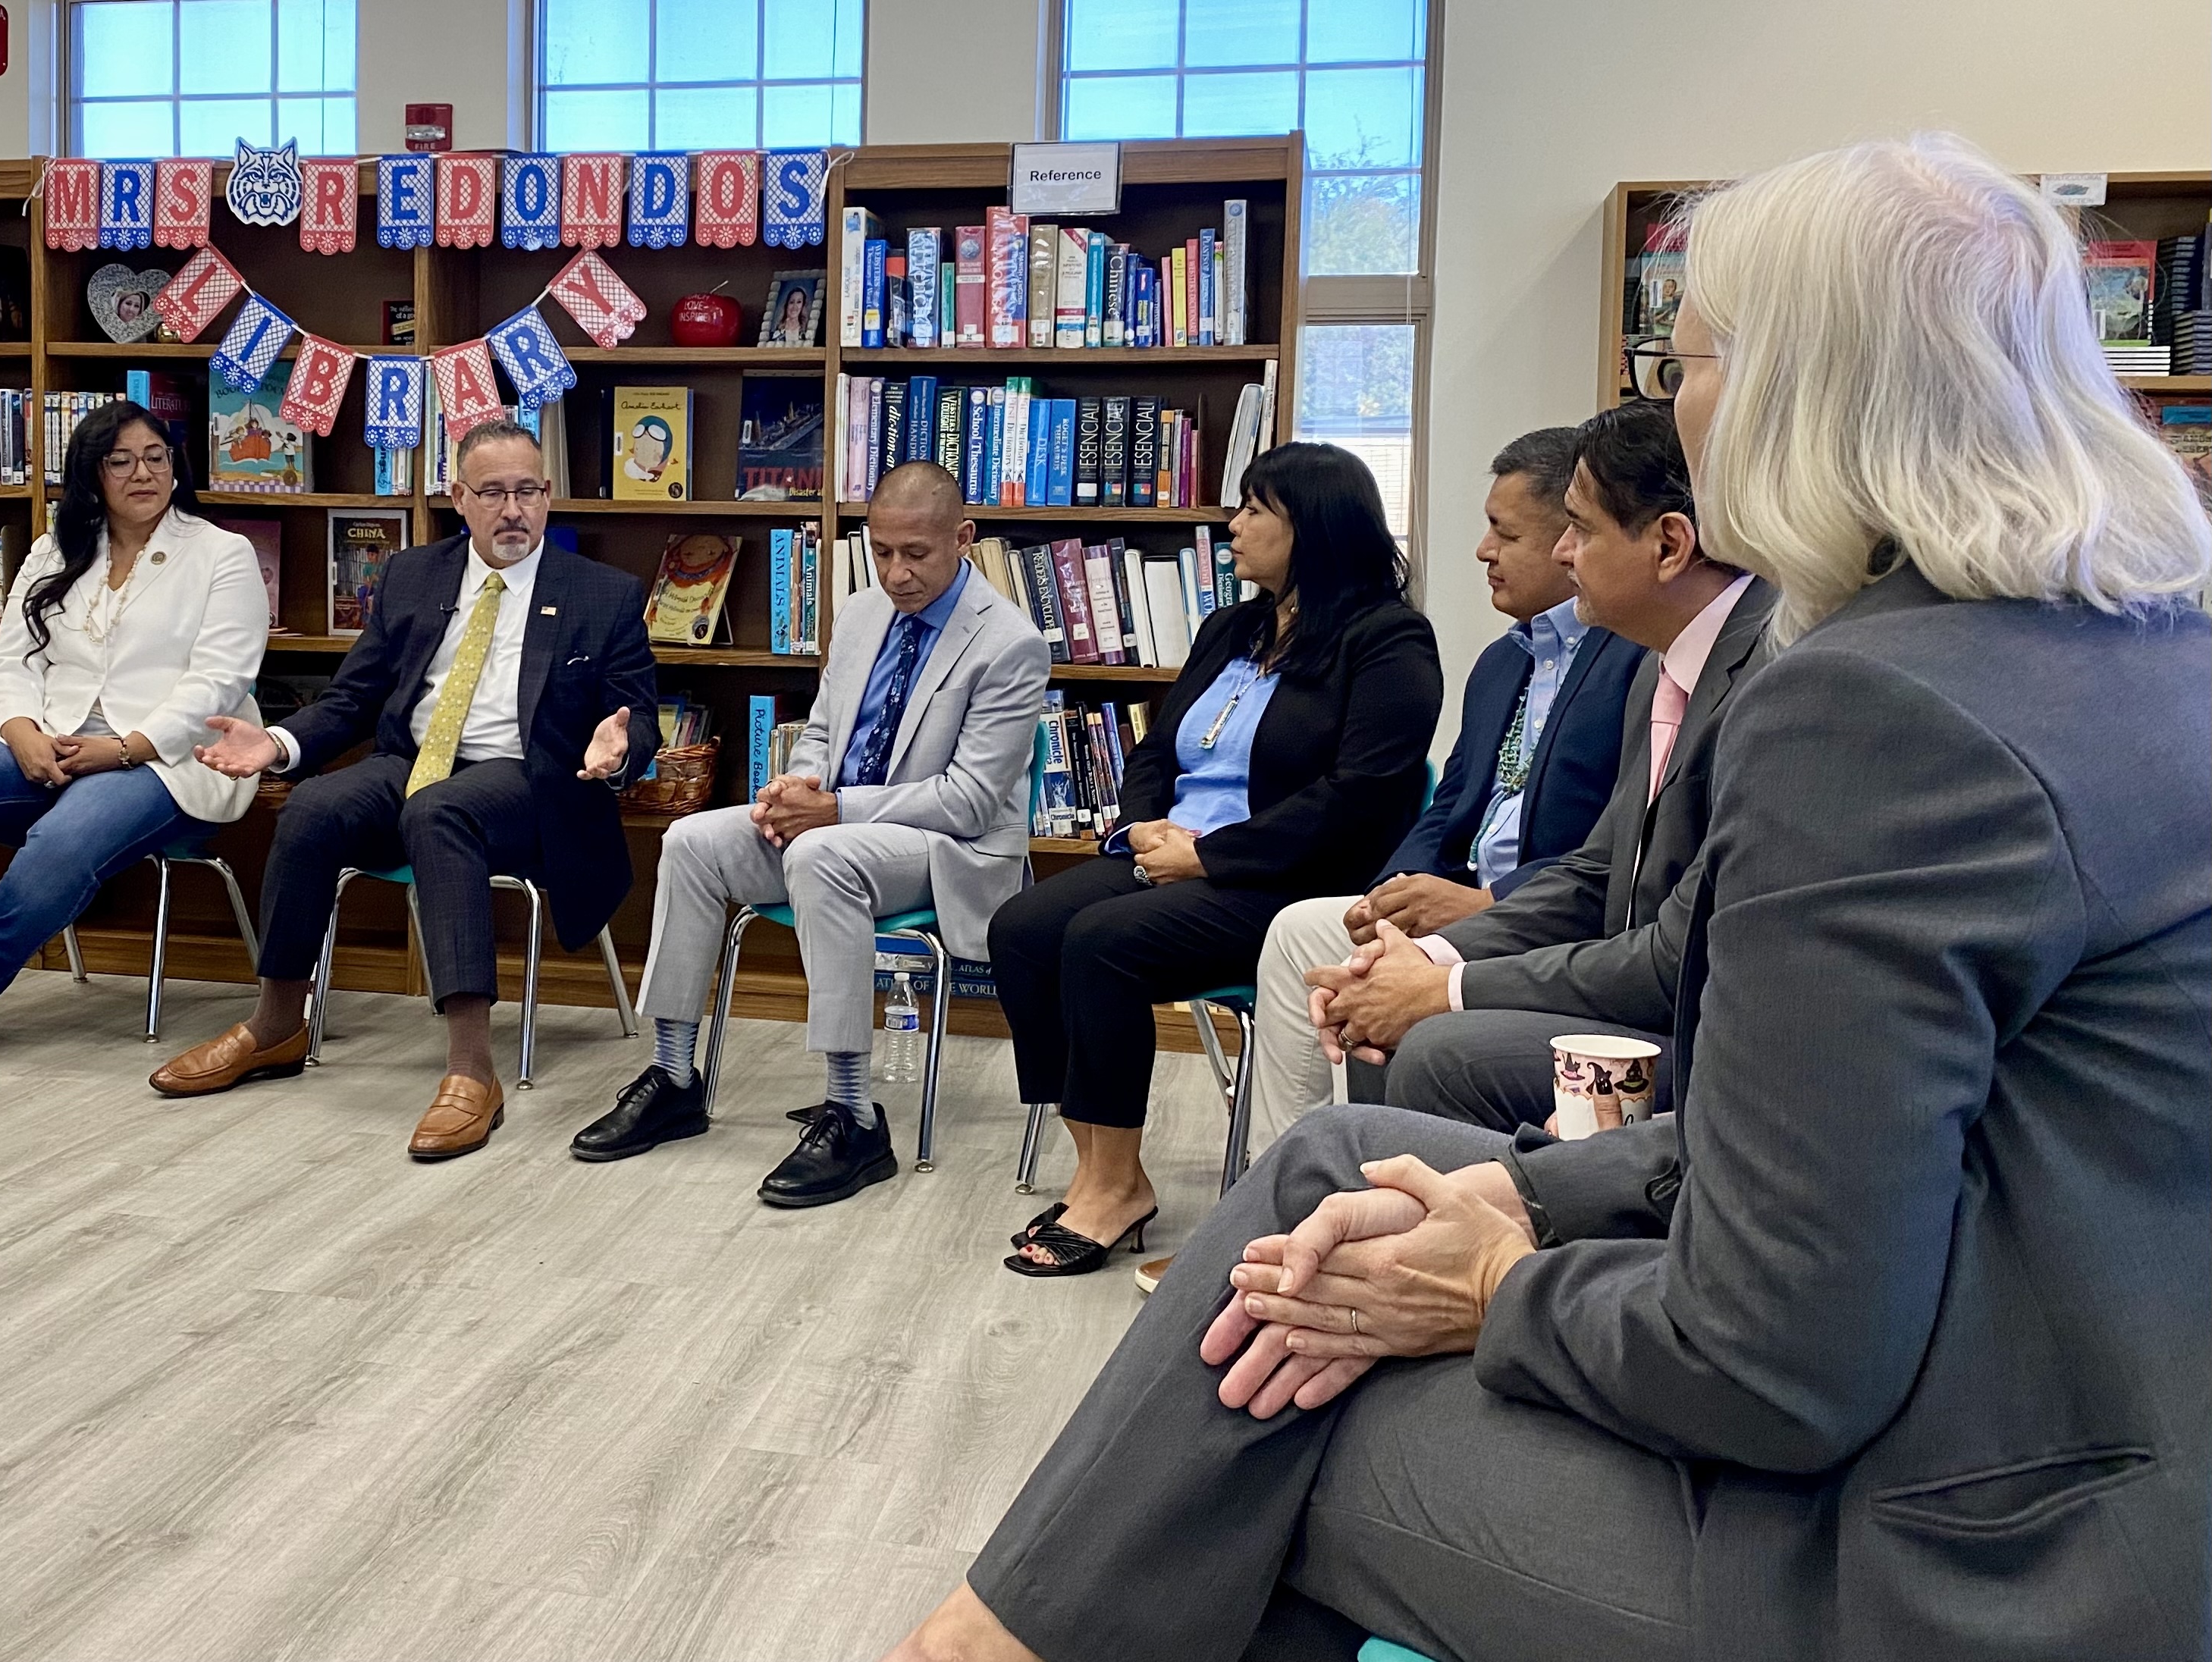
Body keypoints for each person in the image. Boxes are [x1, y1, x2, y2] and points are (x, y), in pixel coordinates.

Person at [880, 132, 2210, 1662]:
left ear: (1800, 388)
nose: (1673, 400)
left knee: (1255, 1422)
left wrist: (1498, 1284)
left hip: (1974, 1553)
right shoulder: (2141, 649)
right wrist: (1518, 1192)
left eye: (1687, 359)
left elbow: (1778, 1362)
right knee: (1333, 1168)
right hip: (2076, 1419)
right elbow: (1850, 1147)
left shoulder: (1876, 713)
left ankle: (984, 1642)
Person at [987, 443, 1442, 1276]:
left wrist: (1209, 854)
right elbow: (1156, 750)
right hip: (1172, 855)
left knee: (1100, 940)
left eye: (1254, 510)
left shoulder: (1388, 640)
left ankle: (1116, 1188)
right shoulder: (1231, 627)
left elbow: (1359, 797)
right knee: (1021, 928)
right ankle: (1097, 1161)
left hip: (1286, 881)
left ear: (1313, 527)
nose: (1231, 525)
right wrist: (1141, 829)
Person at [151, 419, 656, 1162]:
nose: (513, 509)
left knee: (439, 809)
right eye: (493, 493)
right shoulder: (413, 573)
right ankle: (276, 1023)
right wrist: (281, 743)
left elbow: (636, 714)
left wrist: (619, 749)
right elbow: (354, 698)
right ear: (459, 497)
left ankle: (471, 1068)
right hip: (416, 758)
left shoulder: (601, 593)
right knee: (316, 805)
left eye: (528, 491)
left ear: (548, 495)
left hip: (530, 781)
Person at [573, 461, 1045, 1207]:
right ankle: (673, 1075)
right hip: (841, 827)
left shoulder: (1010, 643)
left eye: (917, 553)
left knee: (823, 854)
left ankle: (854, 1116)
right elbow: (825, 732)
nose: (896, 572)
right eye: (882, 550)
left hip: (945, 849)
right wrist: (797, 786)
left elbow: (971, 801)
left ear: (964, 537)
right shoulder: (860, 613)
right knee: (691, 841)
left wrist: (834, 812)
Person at [1309, 397, 1776, 1134]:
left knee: (1440, 1048)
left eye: (1581, 531)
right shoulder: (1665, 669)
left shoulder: (1768, 676)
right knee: (1390, 1016)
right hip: (1641, 996)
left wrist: (1444, 986)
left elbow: (1677, 956)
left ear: (1670, 545)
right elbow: (1595, 877)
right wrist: (1424, 953)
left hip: (1720, 1045)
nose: (1564, 554)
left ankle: (1470, 1243)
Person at [1241, 426, 1644, 1143]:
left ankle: (1350, 1176)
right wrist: (1392, 896)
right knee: (1306, 933)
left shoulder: (1634, 663)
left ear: (1567, 540)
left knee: (1345, 967)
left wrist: (1486, 901)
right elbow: (1450, 804)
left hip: (1544, 918)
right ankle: (1289, 1166)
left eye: (1502, 533)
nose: (1483, 552)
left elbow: (1617, 851)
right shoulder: (1500, 662)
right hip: (1461, 900)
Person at [0, 400, 269, 1079]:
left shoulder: (221, 553)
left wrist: (125, 747)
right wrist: (18, 730)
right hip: (51, 740)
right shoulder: (57, 547)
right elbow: (10, 659)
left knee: (65, 839)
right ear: (90, 473)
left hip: (166, 758)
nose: (143, 473)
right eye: (121, 461)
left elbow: (219, 682)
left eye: (156, 458)